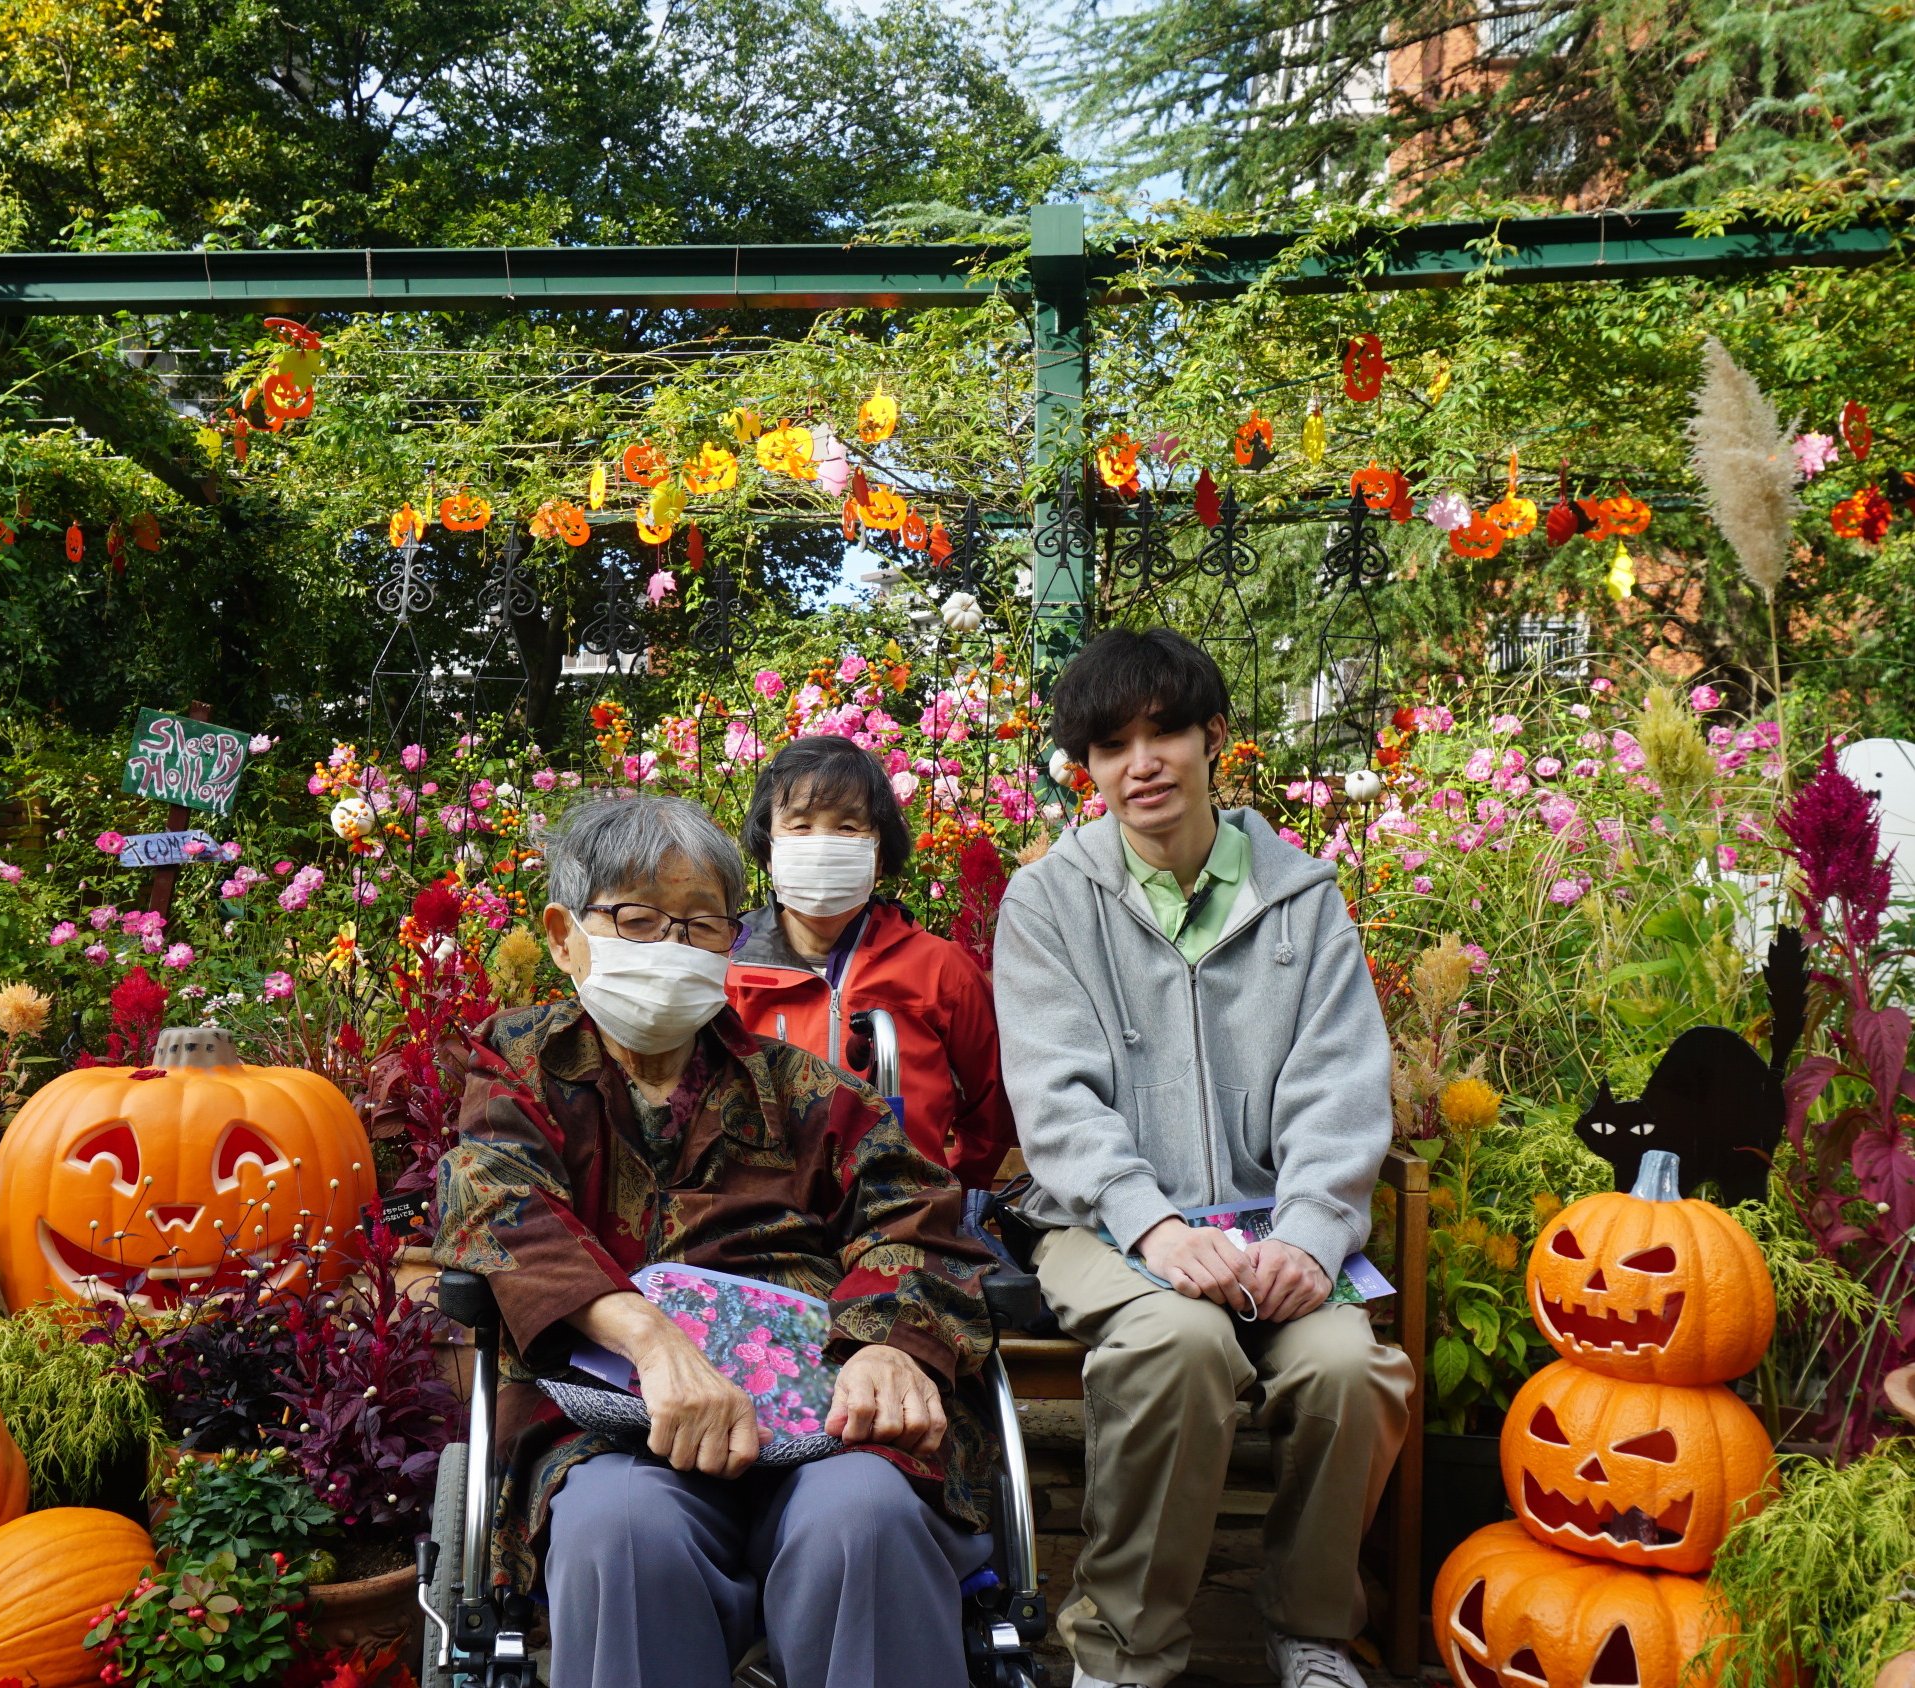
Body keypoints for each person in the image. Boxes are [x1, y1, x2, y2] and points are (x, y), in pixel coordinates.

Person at [431, 792, 1000, 1688]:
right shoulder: (520, 1063)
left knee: (864, 1518)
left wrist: (888, 1346)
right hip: (611, 1425)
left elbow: (915, 1213)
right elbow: (492, 1199)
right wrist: (655, 1345)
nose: (669, 947)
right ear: (563, 933)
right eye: (637, 919)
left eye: (699, 925)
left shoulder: (802, 1089)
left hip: (822, 1414)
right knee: (620, 1532)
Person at [991, 628, 1415, 1688]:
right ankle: (1124, 1651)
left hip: (1273, 1219)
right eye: (1108, 743)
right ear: (1083, 767)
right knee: (1177, 1341)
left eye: (1163, 730)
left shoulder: (1302, 897)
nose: (1140, 762)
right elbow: (1056, 1098)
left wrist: (1314, 1234)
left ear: (1212, 736)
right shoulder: (1046, 903)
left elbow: (1339, 1086)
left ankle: (1311, 1628)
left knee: (1346, 1365)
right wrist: (1156, 1224)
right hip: (1102, 1223)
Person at [728, 733, 1013, 1187]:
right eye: (800, 826)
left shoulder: (943, 971)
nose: (822, 843)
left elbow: (994, 1107)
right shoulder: (727, 969)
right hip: (768, 1229)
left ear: (880, 854)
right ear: (767, 849)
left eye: (847, 827)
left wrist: (946, 1195)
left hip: (904, 1224)